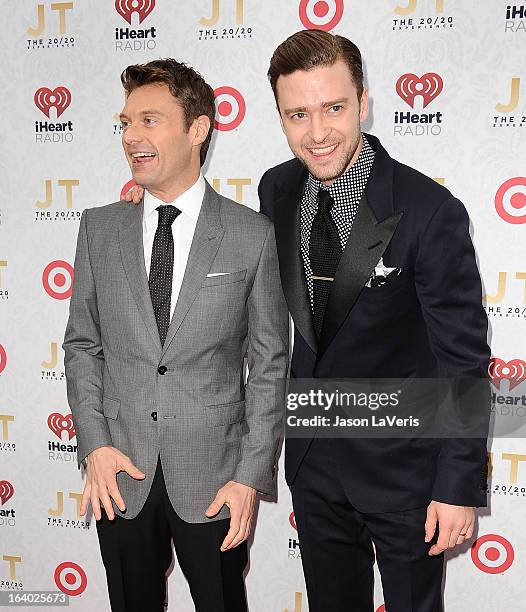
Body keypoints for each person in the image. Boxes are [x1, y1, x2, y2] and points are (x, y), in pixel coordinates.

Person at [257, 30, 490, 611]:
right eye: (297, 115)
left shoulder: (430, 211)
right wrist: (156, 204)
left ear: (362, 101)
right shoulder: (277, 189)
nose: (317, 133)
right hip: (314, 466)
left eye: (334, 108)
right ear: (281, 118)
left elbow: (464, 362)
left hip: (407, 474)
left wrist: (456, 487)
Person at [63, 58, 288, 612]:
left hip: (215, 481)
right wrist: (94, 445)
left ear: (198, 129)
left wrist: (249, 477)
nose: (131, 137)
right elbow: (82, 346)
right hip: (119, 474)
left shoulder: (249, 235)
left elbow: (269, 365)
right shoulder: (98, 227)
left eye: (149, 120)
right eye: (125, 123)